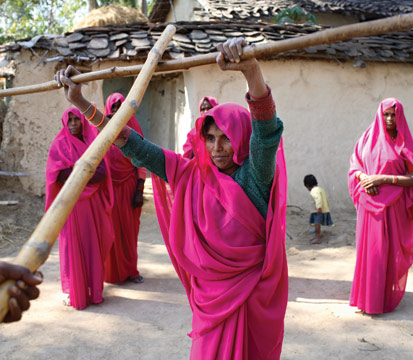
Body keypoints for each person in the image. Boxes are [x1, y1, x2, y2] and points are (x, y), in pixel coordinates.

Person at [55, 37, 288, 359]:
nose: (217, 147)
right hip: (210, 296)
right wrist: (81, 103)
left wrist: (251, 71)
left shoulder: (256, 175)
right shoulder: (188, 172)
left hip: (249, 294)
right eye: (210, 138)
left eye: (226, 138)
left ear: (242, 139)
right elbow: (130, 142)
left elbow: (266, 129)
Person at [348, 98, 413, 314]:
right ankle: (366, 300)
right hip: (368, 208)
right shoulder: (366, 139)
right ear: (380, 115)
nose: (389, 119)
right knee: (369, 252)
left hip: (392, 209)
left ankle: (381, 301)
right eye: (386, 114)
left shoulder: (403, 142)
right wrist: (364, 178)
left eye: (393, 115)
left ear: (399, 117)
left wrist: (382, 179)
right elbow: (354, 167)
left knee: (384, 254)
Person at [45, 108, 114, 310]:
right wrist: (85, 171)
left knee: (93, 245)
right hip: (71, 206)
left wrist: (77, 172)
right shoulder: (59, 145)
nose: (74, 123)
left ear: (83, 121)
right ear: (64, 123)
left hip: (92, 206)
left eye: (77, 119)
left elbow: (101, 173)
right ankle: (72, 290)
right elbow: (57, 175)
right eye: (70, 120)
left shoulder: (93, 143)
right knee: (71, 247)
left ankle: (94, 290)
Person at [103, 93, 146, 284]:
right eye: (113, 107)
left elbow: (142, 160)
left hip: (129, 186)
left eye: (119, 106)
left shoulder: (133, 129)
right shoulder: (102, 132)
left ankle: (131, 271)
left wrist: (139, 189)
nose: (116, 111)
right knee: (110, 231)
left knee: (129, 232)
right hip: (109, 188)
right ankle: (112, 274)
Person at [303, 174, 333, 244]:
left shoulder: (314, 191)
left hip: (318, 211)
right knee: (317, 224)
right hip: (323, 210)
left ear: (307, 185)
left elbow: (318, 199)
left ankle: (317, 238)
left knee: (317, 224)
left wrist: (319, 207)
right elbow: (325, 199)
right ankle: (317, 236)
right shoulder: (320, 189)